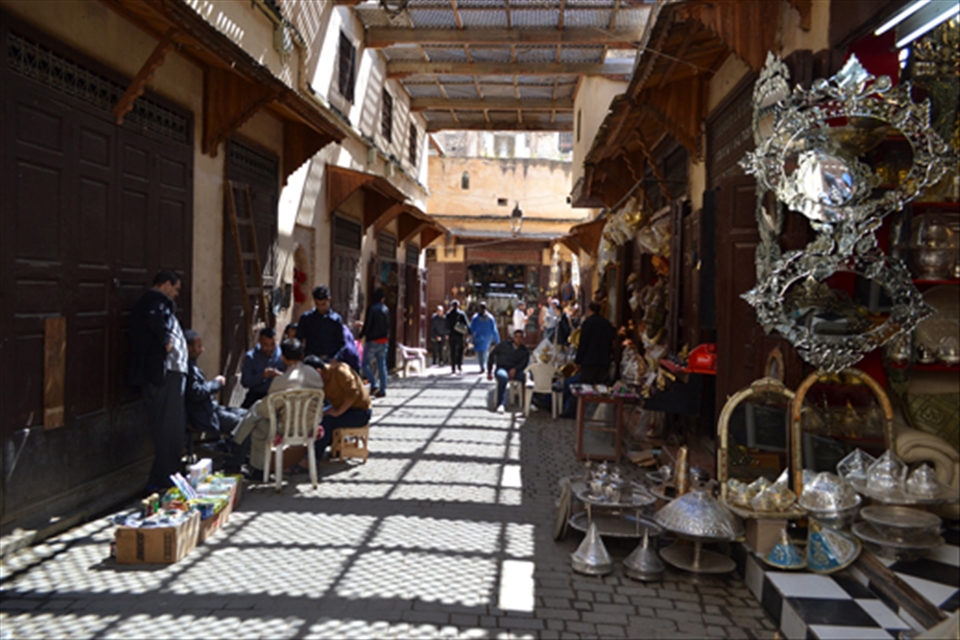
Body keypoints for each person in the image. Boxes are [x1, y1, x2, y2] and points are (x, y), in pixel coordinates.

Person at [129, 269, 188, 490]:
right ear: (165, 285)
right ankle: (163, 479)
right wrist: (166, 341)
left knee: (171, 428)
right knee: (168, 428)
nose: (176, 294)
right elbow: (156, 318)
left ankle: (168, 476)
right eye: (175, 288)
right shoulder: (155, 302)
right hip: (165, 375)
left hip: (168, 374)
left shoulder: (156, 303)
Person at [232, 338, 323, 478]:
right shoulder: (314, 375)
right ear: (302, 356)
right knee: (257, 411)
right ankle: (237, 442)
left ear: (283, 358)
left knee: (257, 421)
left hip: (285, 429)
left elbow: (267, 411)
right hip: (310, 427)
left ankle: (254, 464)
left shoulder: (280, 382)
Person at [297, 358, 372, 469]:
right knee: (318, 416)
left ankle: (313, 460)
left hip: (360, 412)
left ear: (319, 372)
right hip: (342, 409)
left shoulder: (340, 371)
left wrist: (337, 412)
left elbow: (353, 393)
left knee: (328, 421)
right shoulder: (321, 381)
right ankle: (328, 444)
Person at [184, 330, 246, 438]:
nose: (202, 350)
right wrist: (215, 383)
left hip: (213, 409)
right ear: (189, 348)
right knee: (243, 425)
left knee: (249, 416)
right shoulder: (188, 369)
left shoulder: (192, 366)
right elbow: (197, 392)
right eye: (198, 347)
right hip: (205, 415)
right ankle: (235, 452)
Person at [296, 285, 346, 362]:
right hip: (311, 360)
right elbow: (298, 339)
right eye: (317, 304)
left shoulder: (336, 320)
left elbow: (341, 344)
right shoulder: (306, 318)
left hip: (329, 360)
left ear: (329, 300)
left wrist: (336, 358)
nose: (321, 308)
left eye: (323, 304)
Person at [487, 329, 530, 414]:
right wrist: (489, 371)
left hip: (516, 371)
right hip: (502, 368)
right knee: (503, 377)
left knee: (528, 378)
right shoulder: (504, 345)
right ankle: (501, 404)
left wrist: (515, 369)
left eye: (520, 337)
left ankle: (528, 402)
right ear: (513, 338)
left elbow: (524, 363)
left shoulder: (525, 351)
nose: (518, 339)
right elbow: (492, 355)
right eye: (516, 337)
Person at [240, 327, 285, 409]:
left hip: (277, 396)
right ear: (259, 342)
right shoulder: (251, 357)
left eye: (272, 344)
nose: (269, 348)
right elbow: (245, 381)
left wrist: (279, 375)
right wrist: (262, 376)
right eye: (266, 345)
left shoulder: (282, 354)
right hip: (256, 395)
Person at [359, 288, 390, 397]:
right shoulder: (386, 309)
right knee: (382, 366)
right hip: (384, 341)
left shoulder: (371, 309)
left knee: (365, 364)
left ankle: (374, 383)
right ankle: (383, 390)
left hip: (373, 341)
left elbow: (368, 325)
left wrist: (361, 335)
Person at [576, 301, 615, 383]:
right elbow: (610, 340)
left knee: (586, 385)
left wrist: (578, 360)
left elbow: (583, 342)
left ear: (590, 310)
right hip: (603, 360)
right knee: (599, 385)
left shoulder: (588, 323)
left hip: (589, 360)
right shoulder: (606, 323)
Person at [469, 301, 500, 374]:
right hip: (479, 336)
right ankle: (482, 365)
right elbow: (472, 327)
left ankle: (483, 366)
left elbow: (494, 328)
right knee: (480, 352)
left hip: (486, 336)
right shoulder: (476, 317)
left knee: (484, 351)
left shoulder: (489, 317)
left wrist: (497, 339)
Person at [445, 300, 468, 375]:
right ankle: (459, 365)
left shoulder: (448, 314)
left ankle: (453, 367)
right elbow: (466, 324)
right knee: (460, 350)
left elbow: (446, 325)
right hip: (459, 334)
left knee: (452, 350)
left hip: (451, 334)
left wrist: (446, 334)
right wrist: (467, 332)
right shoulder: (461, 314)